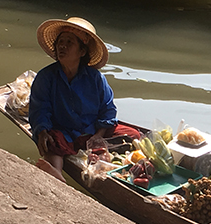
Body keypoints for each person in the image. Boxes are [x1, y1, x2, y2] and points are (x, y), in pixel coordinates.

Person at [29, 17, 140, 182]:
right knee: (51, 142)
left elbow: (108, 109)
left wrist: (99, 135)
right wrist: (43, 131)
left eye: (69, 42)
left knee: (133, 135)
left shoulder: (95, 78)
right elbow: (40, 109)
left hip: (92, 131)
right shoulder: (46, 77)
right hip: (64, 133)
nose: (62, 46)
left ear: (82, 51)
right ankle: (56, 173)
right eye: (60, 42)